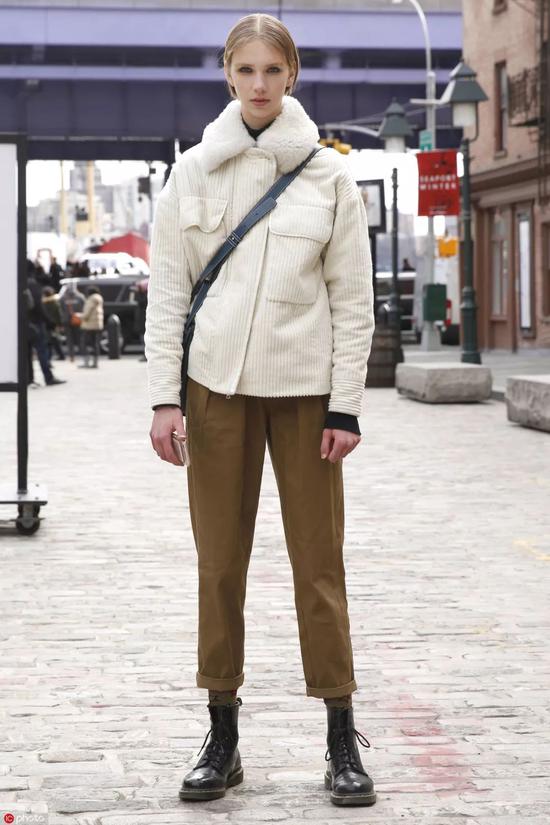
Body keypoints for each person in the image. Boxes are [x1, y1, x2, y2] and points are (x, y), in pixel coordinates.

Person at [144, 13, 376, 808]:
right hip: (215, 390)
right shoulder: (192, 173)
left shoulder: (329, 176)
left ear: (293, 75)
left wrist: (346, 407)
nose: (259, 85)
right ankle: (222, 734)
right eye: (245, 70)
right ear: (227, 73)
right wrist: (165, 397)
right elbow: (168, 292)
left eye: (272, 70)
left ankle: (341, 733)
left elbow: (353, 301)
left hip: (306, 395)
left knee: (319, 564)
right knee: (218, 566)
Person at [24, 261, 66, 387]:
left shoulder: (19, 284)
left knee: (26, 353)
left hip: (23, 324)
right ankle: (48, 377)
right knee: (42, 351)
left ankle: (29, 379)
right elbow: (39, 308)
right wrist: (50, 323)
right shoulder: (34, 285)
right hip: (36, 323)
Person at [77, 285, 104, 368]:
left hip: (89, 325)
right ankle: (95, 363)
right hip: (97, 325)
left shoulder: (91, 299)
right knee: (95, 344)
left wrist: (79, 316)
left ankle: (86, 362)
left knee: (85, 344)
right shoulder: (99, 299)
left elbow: (86, 314)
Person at [59, 284, 86, 362]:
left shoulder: (63, 298)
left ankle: (71, 356)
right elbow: (84, 308)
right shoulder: (80, 297)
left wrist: (61, 321)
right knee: (80, 338)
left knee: (69, 339)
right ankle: (83, 355)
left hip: (66, 321)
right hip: (78, 320)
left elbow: (60, 310)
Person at [41, 286, 66, 361]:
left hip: (46, 324)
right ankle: (60, 355)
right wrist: (60, 324)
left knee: (48, 341)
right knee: (55, 340)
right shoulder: (55, 303)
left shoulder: (43, 303)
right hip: (54, 324)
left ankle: (49, 357)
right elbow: (59, 314)